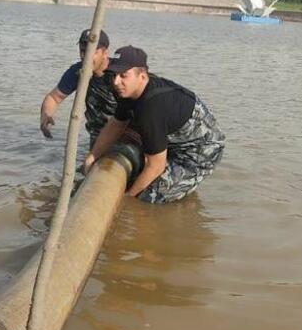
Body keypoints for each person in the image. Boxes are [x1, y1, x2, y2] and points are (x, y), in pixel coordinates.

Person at [85, 46, 225, 204]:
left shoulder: (151, 108)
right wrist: (92, 157)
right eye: (114, 75)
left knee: (149, 195)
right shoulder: (128, 91)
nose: (116, 82)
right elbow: (116, 124)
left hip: (201, 151)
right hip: (174, 139)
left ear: (142, 76)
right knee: (138, 176)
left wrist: (128, 198)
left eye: (123, 75)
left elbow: (156, 166)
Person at [40, 29, 117, 149]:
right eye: (82, 51)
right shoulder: (78, 72)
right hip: (97, 137)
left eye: (91, 52)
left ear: (105, 52)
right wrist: (46, 115)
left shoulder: (121, 74)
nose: (85, 57)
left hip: (124, 135)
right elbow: (54, 98)